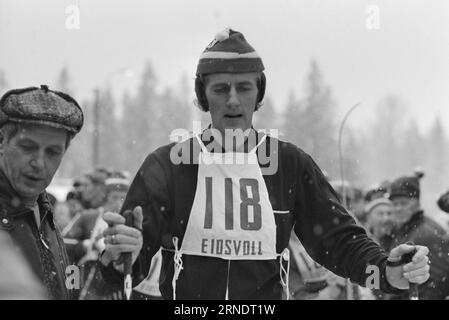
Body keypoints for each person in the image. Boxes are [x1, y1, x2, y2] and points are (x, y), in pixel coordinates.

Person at [99, 28, 430, 300]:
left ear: (258, 95)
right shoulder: (169, 165)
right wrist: (119, 258)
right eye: (220, 89)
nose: (232, 100)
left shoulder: (289, 163)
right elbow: (126, 266)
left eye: (244, 88)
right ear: (203, 97)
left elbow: (338, 240)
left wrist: (387, 272)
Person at [0, 85, 84, 299]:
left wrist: (109, 269)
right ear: (2, 142)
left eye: (52, 152)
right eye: (28, 147)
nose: (39, 163)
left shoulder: (43, 210)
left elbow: (67, 291)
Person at [386, 172, 449, 299]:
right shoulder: (404, 229)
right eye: (395, 204)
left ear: (416, 203)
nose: (398, 208)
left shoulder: (427, 233)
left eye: (403, 203)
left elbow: (437, 283)